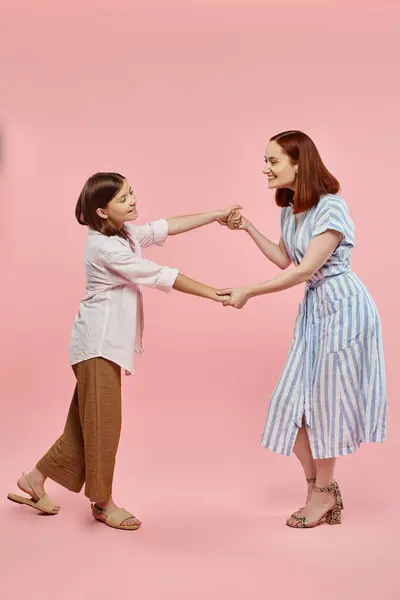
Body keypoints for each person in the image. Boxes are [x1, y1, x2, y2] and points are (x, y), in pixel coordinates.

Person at [7, 172, 240, 531]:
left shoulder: (125, 233)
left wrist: (215, 215)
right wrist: (213, 293)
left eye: (131, 193)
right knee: (104, 426)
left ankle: (34, 479)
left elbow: (166, 227)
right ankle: (103, 503)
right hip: (97, 346)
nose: (132, 200)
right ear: (102, 211)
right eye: (123, 199)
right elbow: (159, 274)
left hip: (104, 347)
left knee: (84, 425)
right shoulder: (105, 248)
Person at [218, 130, 387, 528]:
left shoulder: (331, 207)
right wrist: (247, 228)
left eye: (273, 161)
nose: (266, 168)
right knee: (289, 406)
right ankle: (321, 491)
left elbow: (307, 269)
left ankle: (322, 494)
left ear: (299, 163)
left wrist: (249, 292)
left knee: (326, 405)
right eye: (266, 161)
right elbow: (284, 258)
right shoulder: (292, 207)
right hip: (316, 312)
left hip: (344, 309)